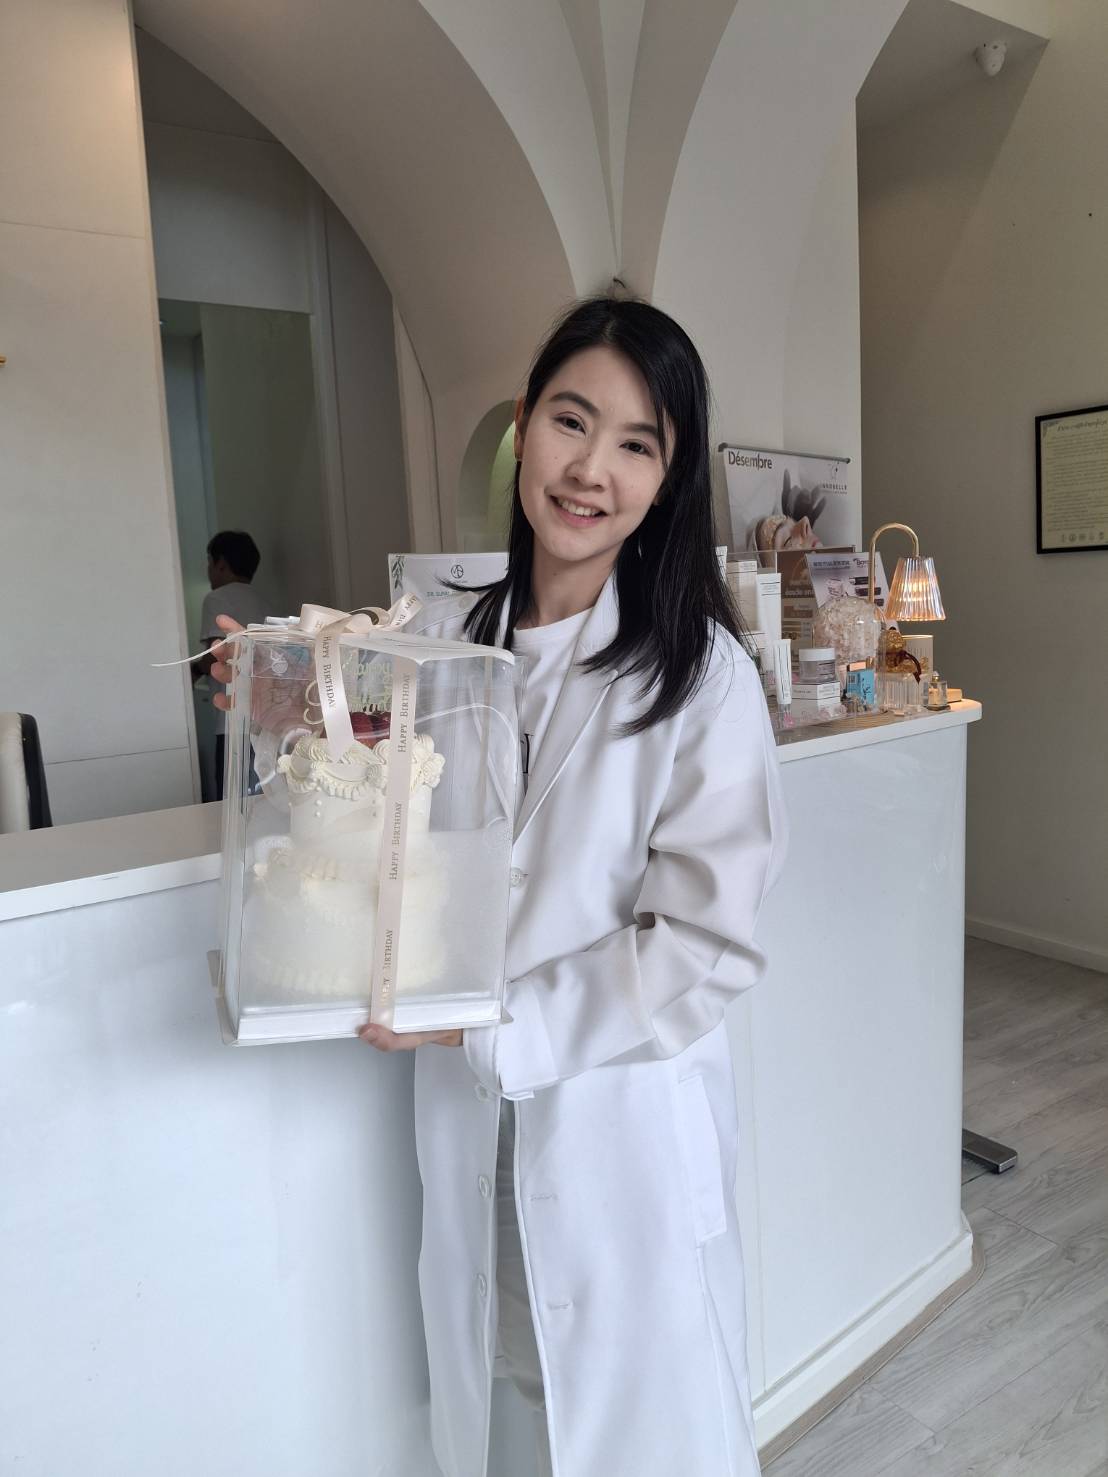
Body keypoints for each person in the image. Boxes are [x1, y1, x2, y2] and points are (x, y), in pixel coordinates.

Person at [211, 295, 786, 1477]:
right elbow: (378, 801)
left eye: (638, 444)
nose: (592, 469)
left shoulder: (702, 675)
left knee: (640, 1433)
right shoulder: (442, 643)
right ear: (524, 428)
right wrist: (287, 709)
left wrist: (491, 1030)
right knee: (509, 1412)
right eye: (572, 421)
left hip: (613, 1119)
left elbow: (703, 945)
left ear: (668, 479)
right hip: (472, 1132)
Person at [193, 530, 271, 796]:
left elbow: (217, 652)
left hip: (230, 719)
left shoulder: (216, 599)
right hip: (266, 717)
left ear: (221, 564)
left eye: (209, 562)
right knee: (261, 795)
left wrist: (192, 671)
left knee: (230, 799)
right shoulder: (263, 599)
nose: (209, 570)